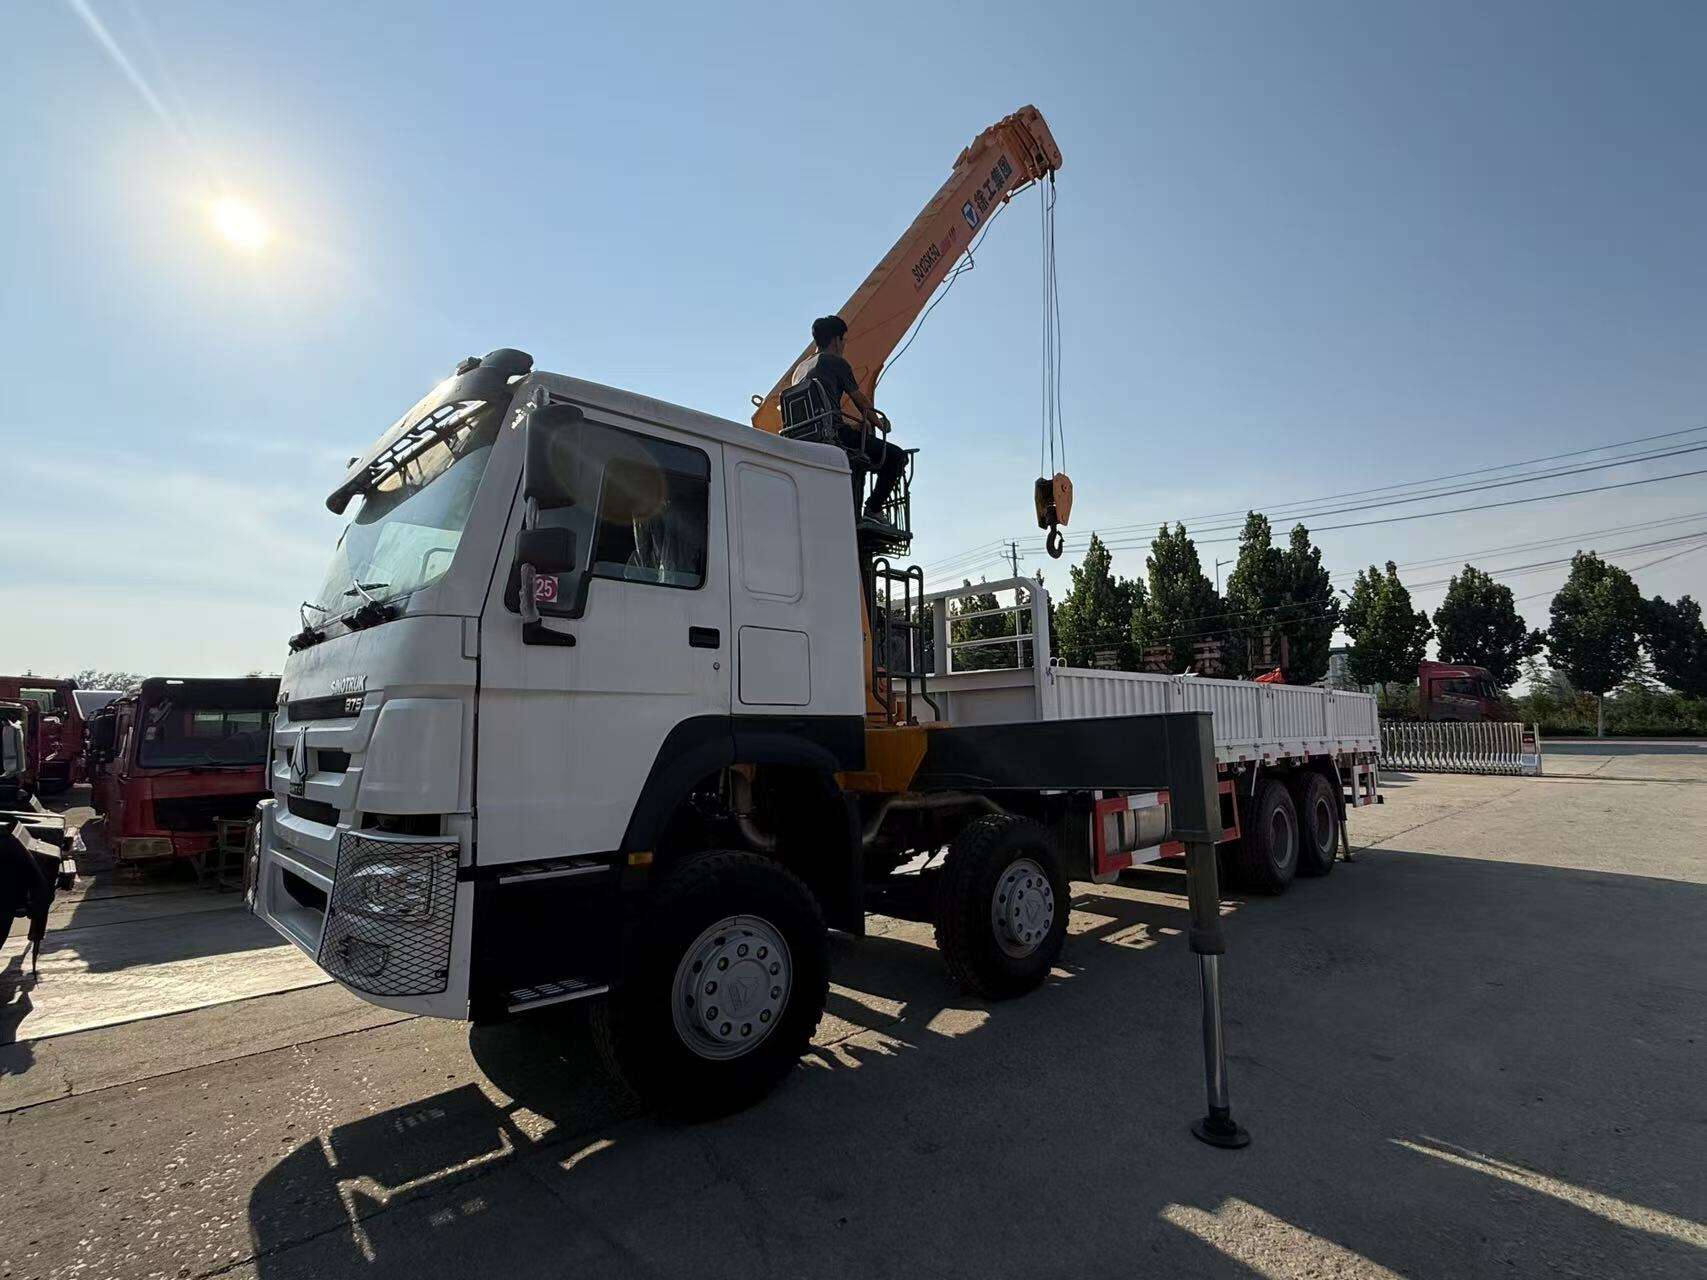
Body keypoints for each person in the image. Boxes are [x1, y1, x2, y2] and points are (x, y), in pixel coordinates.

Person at [792, 315, 908, 537]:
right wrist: (880, 423)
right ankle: (873, 509)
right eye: (844, 340)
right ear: (837, 340)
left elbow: (818, 407)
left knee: (859, 456)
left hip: (806, 437)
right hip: (834, 436)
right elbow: (861, 402)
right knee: (895, 456)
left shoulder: (799, 371)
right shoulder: (834, 361)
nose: (844, 345)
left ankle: (850, 511)